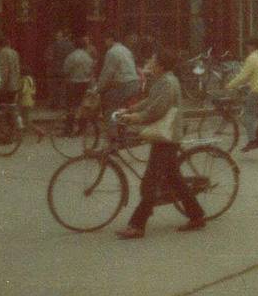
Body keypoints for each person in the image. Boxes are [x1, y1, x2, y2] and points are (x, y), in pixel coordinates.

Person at [114, 48, 206, 239]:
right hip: (166, 137)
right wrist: (130, 109)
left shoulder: (168, 83)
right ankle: (197, 215)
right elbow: (150, 101)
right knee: (174, 179)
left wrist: (133, 118)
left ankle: (137, 225)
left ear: (161, 66)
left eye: (153, 60)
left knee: (151, 182)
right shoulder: (162, 80)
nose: (150, 62)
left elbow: (156, 110)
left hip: (167, 137)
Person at [226, 37, 258, 153]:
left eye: (247, 46)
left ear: (252, 46)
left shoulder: (252, 58)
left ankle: (252, 141)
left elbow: (243, 76)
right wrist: (248, 84)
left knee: (246, 116)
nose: (246, 48)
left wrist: (230, 85)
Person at [93, 32, 141, 114]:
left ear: (110, 39)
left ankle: (110, 120)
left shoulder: (112, 52)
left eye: (105, 40)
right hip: (135, 84)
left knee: (108, 103)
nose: (105, 42)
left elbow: (107, 74)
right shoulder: (126, 50)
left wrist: (98, 89)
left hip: (124, 85)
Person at [62, 37, 95, 133]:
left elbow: (66, 70)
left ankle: (69, 128)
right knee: (83, 105)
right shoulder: (88, 57)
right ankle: (82, 128)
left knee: (71, 106)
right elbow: (91, 70)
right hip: (85, 83)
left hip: (73, 82)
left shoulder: (71, 56)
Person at [44, 29, 74, 109]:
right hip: (65, 70)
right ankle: (62, 104)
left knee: (53, 88)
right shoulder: (70, 46)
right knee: (63, 88)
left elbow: (47, 57)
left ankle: (53, 104)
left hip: (54, 70)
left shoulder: (52, 46)